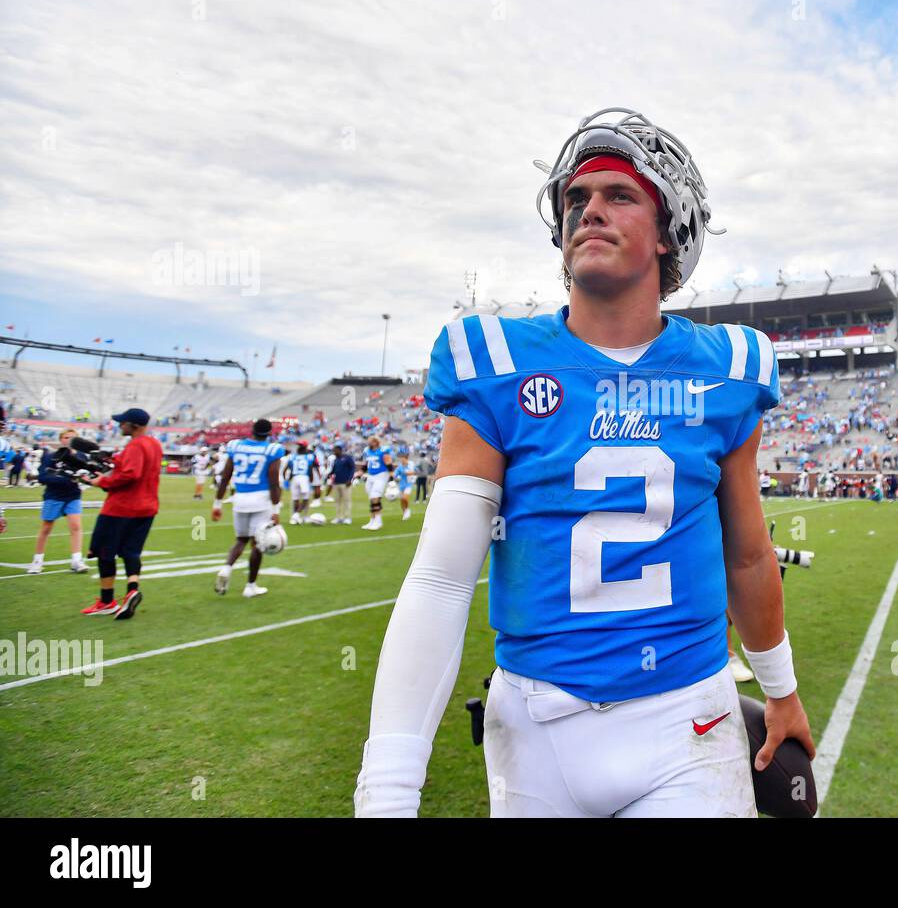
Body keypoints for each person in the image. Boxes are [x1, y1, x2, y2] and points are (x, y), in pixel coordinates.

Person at [355, 108, 812, 818]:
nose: (589, 209)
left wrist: (780, 689)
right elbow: (443, 577)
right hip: (535, 729)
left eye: (619, 195)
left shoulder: (727, 369)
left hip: (687, 719)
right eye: (576, 198)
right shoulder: (497, 362)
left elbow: (748, 554)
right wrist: (386, 791)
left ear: (668, 233)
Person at [81, 408, 163, 620]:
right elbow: (136, 466)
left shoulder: (136, 444)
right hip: (147, 507)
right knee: (131, 551)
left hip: (122, 507)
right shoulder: (153, 443)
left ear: (133, 425)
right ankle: (132, 589)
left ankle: (106, 601)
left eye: (123, 422)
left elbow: (131, 473)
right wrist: (114, 460)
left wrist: (103, 481)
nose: (119, 425)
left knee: (105, 551)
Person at [212, 419, 284, 598]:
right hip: (261, 501)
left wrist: (217, 504)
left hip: (240, 499)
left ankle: (226, 568)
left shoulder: (236, 446)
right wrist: (276, 509)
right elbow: (274, 482)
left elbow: (225, 476)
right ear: (269, 434)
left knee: (240, 540)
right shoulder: (272, 449)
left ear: (252, 431)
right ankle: (250, 586)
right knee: (257, 545)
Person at [29, 428, 90, 574]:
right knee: (46, 528)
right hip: (53, 495)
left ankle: (76, 560)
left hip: (73, 496)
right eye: (66, 437)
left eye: (73, 438)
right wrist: (63, 478)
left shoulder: (82, 456)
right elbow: (43, 477)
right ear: (61, 439)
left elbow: (87, 475)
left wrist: (83, 479)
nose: (69, 440)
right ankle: (37, 561)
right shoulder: (50, 456)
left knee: (75, 526)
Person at [360, 435, 394, 530]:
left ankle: (378, 521)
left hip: (381, 475)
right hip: (371, 475)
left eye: (371, 441)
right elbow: (366, 464)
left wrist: (391, 477)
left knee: (375, 497)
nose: (369, 443)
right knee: (372, 498)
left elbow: (389, 464)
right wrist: (360, 472)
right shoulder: (367, 450)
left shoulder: (383, 450)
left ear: (376, 442)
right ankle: (372, 520)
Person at [286, 441, 317, 525]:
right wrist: (311, 478)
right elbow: (310, 468)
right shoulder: (309, 456)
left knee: (296, 499)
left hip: (295, 477)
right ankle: (297, 515)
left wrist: (289, 478)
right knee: (305, 498)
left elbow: (289, 468)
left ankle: (297, 517)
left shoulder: (292, 457)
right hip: (304, 477)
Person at [327, 444, 355, 525]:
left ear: (339, 450)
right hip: (336, 482)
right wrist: (330, 474)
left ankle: (347, 517)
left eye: (335, 450)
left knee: (347, 500)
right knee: (338, 501)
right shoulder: (336, 459)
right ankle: (339, 517)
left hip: (345, 483)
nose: (334, 452)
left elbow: (352, 468)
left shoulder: (347, 458)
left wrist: (350, 479)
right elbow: (334, 470)